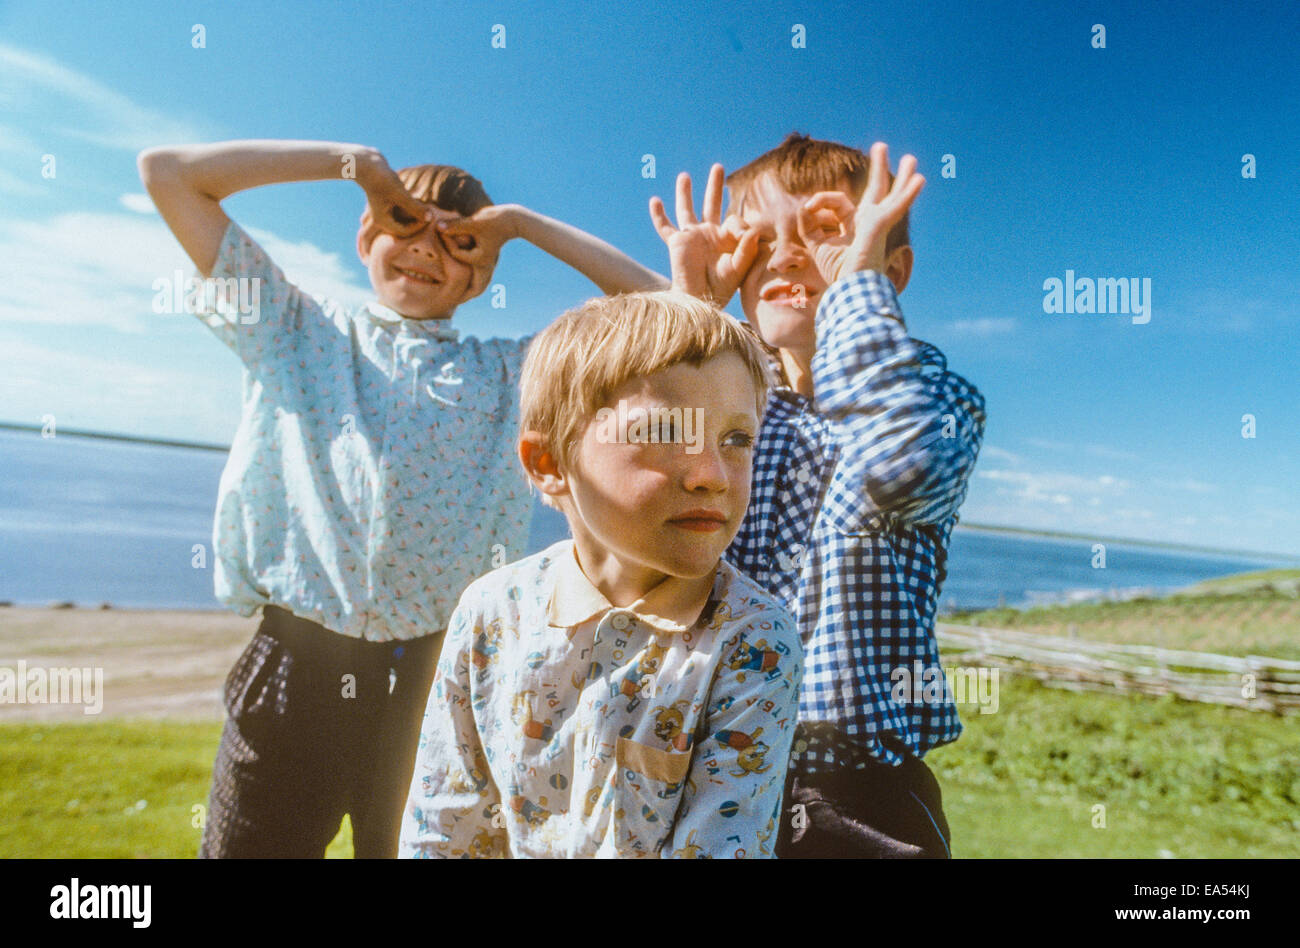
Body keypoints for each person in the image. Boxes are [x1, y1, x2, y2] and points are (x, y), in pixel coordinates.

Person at [137, 138, 668, 858]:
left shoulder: (514, 375)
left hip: (443, 679)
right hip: (298, 662)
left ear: (482, 276)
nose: (426, 248)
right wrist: (355, 166)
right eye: (404, 223)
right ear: (365, 234)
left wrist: (520, 225)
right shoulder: (293, 331)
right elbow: (171, 175)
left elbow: (667, 313)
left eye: (458, 243)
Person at [650, 133, 986, 857]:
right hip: (695, 765)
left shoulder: (930, 398)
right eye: (760, 238)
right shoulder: (730, 408)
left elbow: (905, 464)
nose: (789, 253)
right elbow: (641, 506)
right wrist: (694, 316)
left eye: (826, 232)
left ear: (890, 269)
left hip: (854, 798)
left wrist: (855, 282)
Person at [399, 291, 803, 858]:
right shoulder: (492, 611)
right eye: (666, 432)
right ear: (549, 464)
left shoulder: (752, 639)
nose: (713, 473)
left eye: (737, 439)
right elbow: (443, 826)